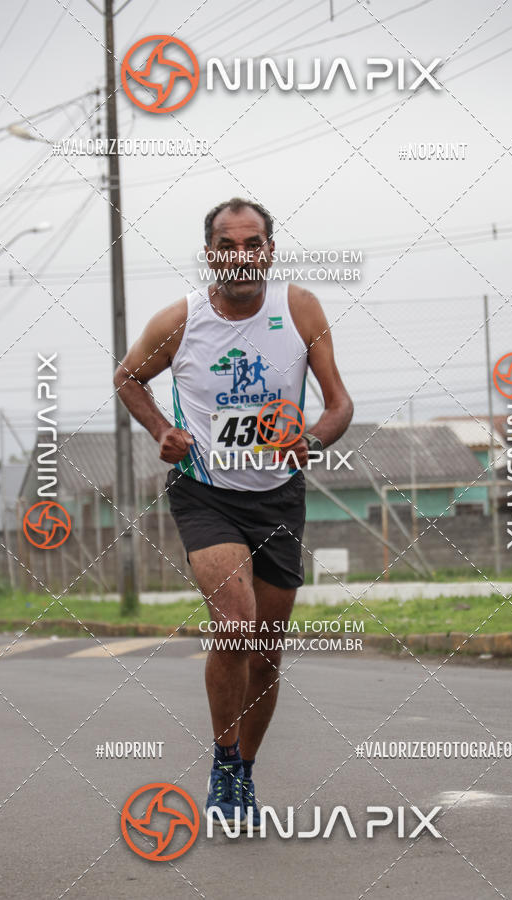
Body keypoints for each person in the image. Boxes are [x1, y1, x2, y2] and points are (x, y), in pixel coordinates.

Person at [114, 197, 353, 828]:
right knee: (237, 624)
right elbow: (128, 377)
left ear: (269, 250)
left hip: (278, 494)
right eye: (227, 245)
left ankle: (243, 773)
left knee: (268, 651)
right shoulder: (181, 320)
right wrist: (162, 431)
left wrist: (316, 439)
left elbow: (338, 404)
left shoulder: (299, 310)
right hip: (206, 492)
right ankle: (223, 760)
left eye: (253, 244)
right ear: (211, 253)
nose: (241, 256)